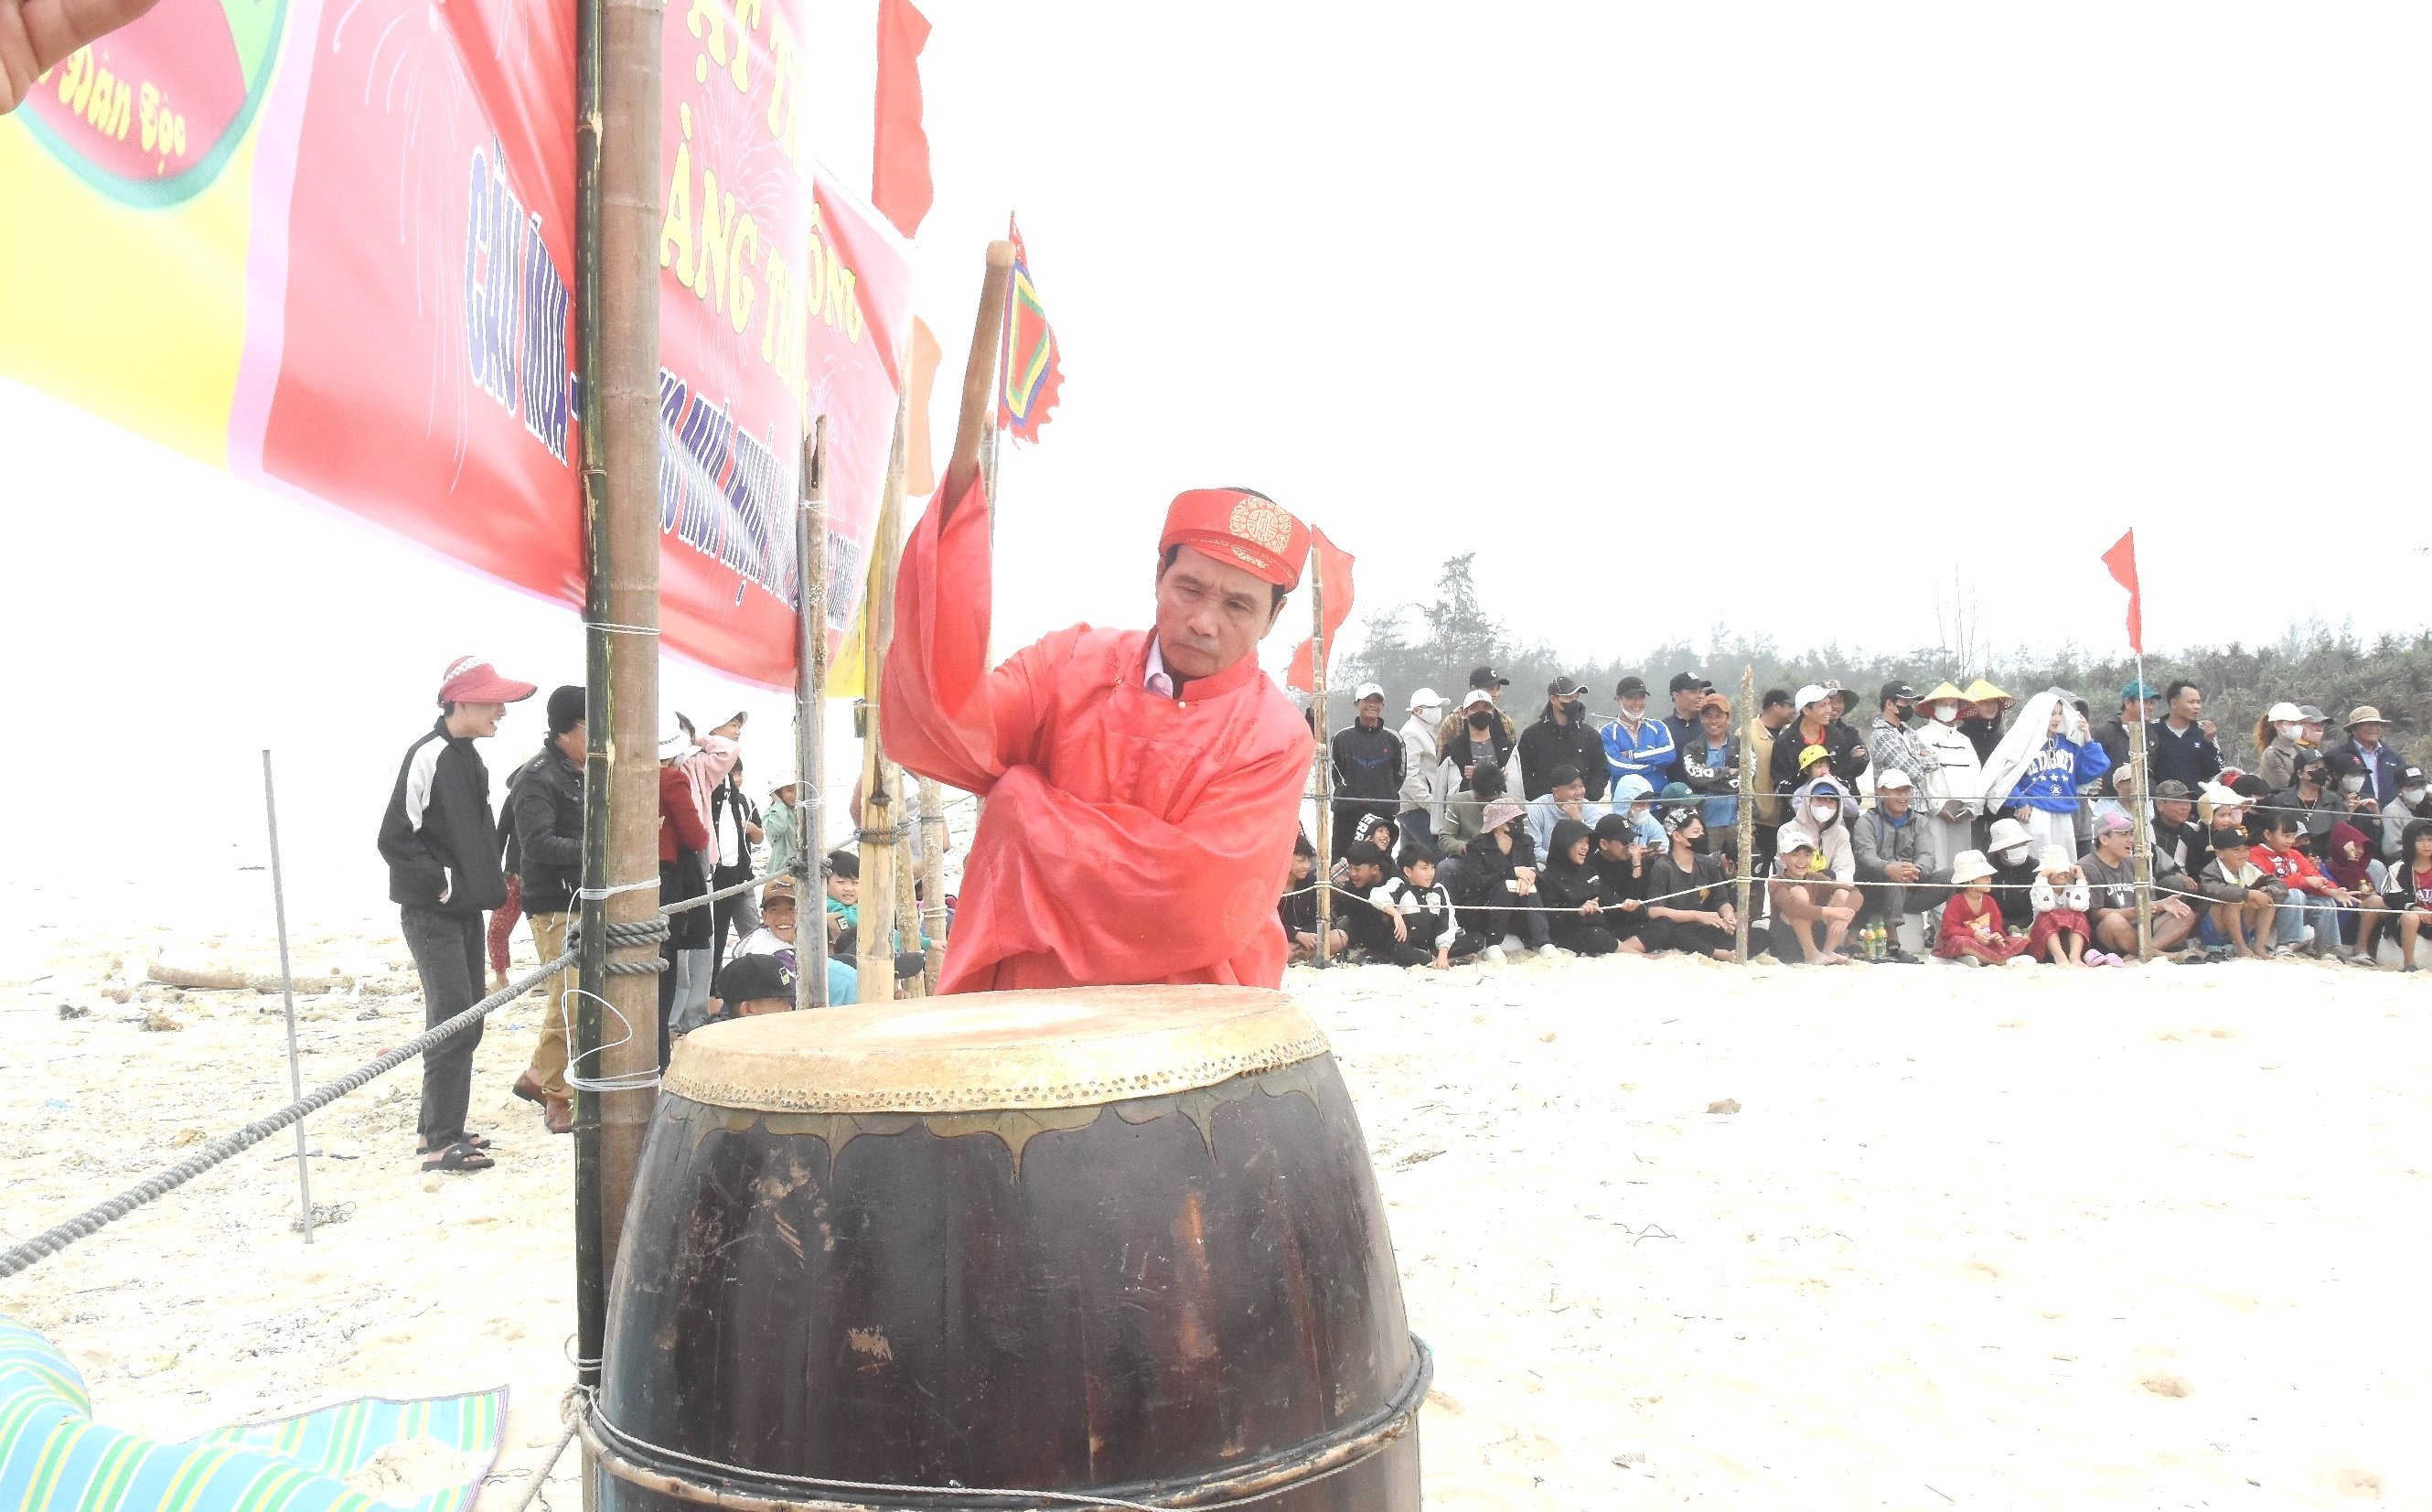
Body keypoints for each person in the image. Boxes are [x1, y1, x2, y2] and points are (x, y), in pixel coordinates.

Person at [882, 484, 1314, 992]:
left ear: (1273, 617)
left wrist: (1023, 809)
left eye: (1238, 606)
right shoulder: (1068, 663)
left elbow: (1195, 898)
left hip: (1193, 1007)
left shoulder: (1278, 737)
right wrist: (949, 554)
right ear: (1158, 575)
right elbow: (952, 726)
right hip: (1035, 997)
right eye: (1190, 589)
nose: (1203, 622)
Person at [378, 657, 536, 1174]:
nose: (502, 712)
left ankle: (437, 1128)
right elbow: (394, 836)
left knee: (467, 1020)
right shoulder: (428, 755)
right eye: (493, 702)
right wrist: (442, 886)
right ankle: (442, 1142)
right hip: (433, 914)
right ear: (461, 701)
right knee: (452, 1022)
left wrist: (479, 884)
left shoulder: (470, 759)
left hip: (462, 909)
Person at [508, 684, 584, 1137]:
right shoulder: (537, 777)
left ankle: (538, 1074)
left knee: (581, 997)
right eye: (591, 726)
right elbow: (536, 845)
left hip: (590, 898)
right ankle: (556, 1093)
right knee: (568, 999)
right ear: (565, 731)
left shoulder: (590, 770)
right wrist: (602, 849)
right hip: (555, 904)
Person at [656, 716, 723, 1055]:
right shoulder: (670, 780)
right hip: (666, 880)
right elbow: (696, 836)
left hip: (630, 882)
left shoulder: (619, 777)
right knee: (664, 965)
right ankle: (659, 1052)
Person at [1983, 690, 2111, 858]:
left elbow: (2095, 768)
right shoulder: (2024, 742)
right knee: (2037, 861)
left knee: (2064, 863)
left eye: (2059, 713)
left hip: (2064, 811)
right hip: (2035, 813)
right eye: (2052, 714)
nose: (2057, 719)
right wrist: (2019, 801)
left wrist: (2088, 739)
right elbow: (2004, 776)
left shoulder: (2068, 743)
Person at [1849, 768, 1947, 959]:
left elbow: (1928, 856)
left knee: (1952, 875)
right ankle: (1892, 939)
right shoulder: (1867, 821)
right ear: (1881, 792)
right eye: (1897, 791)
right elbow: (1865, 856)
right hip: (1876, 887)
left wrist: (1915, 869)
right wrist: (1888, 868)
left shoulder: (1920, 821)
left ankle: (1948, 936)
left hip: (1912, 886)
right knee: (1888, 874)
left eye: (1906, 791)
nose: (1904, 797)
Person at [2079, 810, 2200, 958]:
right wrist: (2136, 911)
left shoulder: (2133, 862)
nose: (2131, 839)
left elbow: (2148, 903)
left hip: (2141, 925)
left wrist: (2163, 903)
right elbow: (2095, 914)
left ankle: (2143, 953)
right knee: (2113, 921)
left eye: (2131, 833)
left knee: (2185, 913)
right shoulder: (2088, 866)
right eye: (2123, 834)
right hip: (2109, 933)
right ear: (2104, 839)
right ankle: (2160, 955)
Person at [1449, 798, 1552, 960]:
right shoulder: (1477, 847)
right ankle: (1493, 942)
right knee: (1506, 886)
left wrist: (1526, 879)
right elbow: (1477, 883)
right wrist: (1511, 873)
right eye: (1514, 820)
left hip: (1520, 906)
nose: (1518, 823)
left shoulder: (1525, 841)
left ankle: (1543, 941)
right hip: (1487, 909)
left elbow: (1534, 871)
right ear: (1499, 825)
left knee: (1529, 887)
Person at [733, 875, 857, 1005]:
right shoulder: (773, 954)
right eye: (774, 910)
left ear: (805, 912)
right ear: (764, 916)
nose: (783, 917)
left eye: (792, 909)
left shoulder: (769, 936)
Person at [2252, 811, 2355, 959]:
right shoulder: (2256, 854)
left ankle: (2324, 950)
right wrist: (2304, 881)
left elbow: (2314, 875)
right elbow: (2268, 882)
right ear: (2268, 834)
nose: (2290, 841)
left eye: (2292, 836)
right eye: (2285, 836)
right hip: (2269, 908)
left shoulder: (2294, 855)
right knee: (2295, 894)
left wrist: (2332, 891)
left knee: (2325, 902)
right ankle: (2285, 943)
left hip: (2296, 908)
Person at [1367, 845, 1484, 968]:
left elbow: (1446, 924)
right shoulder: (1399, 885)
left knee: (1477, 939)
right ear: (1408, 871)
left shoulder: (1438, 889)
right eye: (1424, 868)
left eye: (1432, 868)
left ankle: (1439, 959)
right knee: (1397, 949)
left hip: (1434, 945)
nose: (1430, 873)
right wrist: (1395, 914)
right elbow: (1376, 896)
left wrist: (1443, 954)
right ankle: (1439, 960)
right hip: (1409, 945)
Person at [1645, 807, 1737, 960]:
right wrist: (1696, 915)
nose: (1702, 836)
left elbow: (1721, 899)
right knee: (1672, 934)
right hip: (1678, 929)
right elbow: (1654, 911)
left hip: (1705, 928)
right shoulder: (1663, 867)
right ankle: (1716, 954)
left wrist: (1728, 916)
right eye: (1695, 832)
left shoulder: (1707, 863)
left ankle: (1721, 951)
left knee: (1758, 935)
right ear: (1677, 836)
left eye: (1702, 831)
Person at [1914, 681, 1985, 871]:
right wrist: (1938, 806)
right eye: (1943, 705)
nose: (1948, 709)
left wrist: (1973, 807)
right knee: (1937, 863)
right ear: (1933, 708)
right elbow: (1919, 778)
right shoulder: (1920, 736)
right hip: (1934, 814)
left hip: (1963, 814)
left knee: (1962, 864)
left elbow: (1977, 776)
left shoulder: (1965, 741)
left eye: (1952, 705)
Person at [1329, 681, 1404, 857]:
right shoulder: (1341, 738)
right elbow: (1335, 773)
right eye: (1366, 700)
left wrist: (1384, 795)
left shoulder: (1394, 739)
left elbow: (1399, 775)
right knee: (1342, 862)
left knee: (1379, 864)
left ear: (1382, 706)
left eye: (1377, 701)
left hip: (1382, 813)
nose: (1372, 704)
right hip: (1348, 813)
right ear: (1356, 704)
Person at [709, 748, 766, 975]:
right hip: (720, 882)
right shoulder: (713, 801)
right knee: (718, 934)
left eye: (739, 773)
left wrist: (749, 828)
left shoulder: (745, 801)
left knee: (753, 931)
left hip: (745, 881)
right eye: (732, 774)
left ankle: (760, 971)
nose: (737, 779)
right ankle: (716, 982)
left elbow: (760, 837)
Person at [1766, 833, 1857, 964]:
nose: (1802, 860)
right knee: (1798, 892)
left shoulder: (1817, 878)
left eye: (1807, 855)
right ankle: (1811, 954)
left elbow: (1854, 891)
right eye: (1795, 855)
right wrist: (1833, 912)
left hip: (1814, 935)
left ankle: (1827, 952)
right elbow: (1792, 909)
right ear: (1783, 858)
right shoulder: (1776, 882)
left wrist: (1847, 914)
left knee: (1842, 894)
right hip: (1785, 942)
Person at [1537, 818, 1623, 956]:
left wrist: (1629, 906)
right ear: (1564, 843)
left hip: (1603, 929)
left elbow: (1611, 903)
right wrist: (1578, 912)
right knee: (1597, 936)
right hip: (1572, 935)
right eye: (1580, 842)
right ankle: (1643, 956)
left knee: (1661, 925)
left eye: (1587, 842)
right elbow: (1551, 922)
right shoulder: (1547, 878)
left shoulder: (1590, 871)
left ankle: (1631, 950)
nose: (1586, 847)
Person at [1518, 677, 1610, 802]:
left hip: (1581, 807)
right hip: (1544, 808)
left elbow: (1601, 771)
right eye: (1568, 697)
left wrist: (1588, 798)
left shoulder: (1590, 735)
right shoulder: (1532, 735)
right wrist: (1538, 799)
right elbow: (1523, 772)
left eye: (1576, 697)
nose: (1573, 702)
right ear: (1553, 699)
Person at [2194, 830, 2282, 960]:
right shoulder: (2210, 871)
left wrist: (2268, 892)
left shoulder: (2250, 868)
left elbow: (2278, 883)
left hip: (2242, 923)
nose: (2243, 854)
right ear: (2220, 853)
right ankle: (2240, 946)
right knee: (2234, 901)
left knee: (2266, 899)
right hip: (2215, 927)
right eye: (2236, 850)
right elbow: (2214, 890)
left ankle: (2258, 946)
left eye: (2246, 849)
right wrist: (2247, 894)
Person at [1770, 684, 1866, 796]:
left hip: (1834, 804)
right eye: (1822, 706)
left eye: (1828, 704)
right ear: (1806, 710)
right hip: (1796, 809)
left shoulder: (1837, 738)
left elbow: (1844, 774)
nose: (1829, 710)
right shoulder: (1785, 743)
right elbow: (1780, 782)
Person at [1677, 692, 1741, 854]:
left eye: (1719, 716)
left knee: (1742, 871)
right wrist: (1728, 771)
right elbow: (1695, 778)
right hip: (1705, 823)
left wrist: (1709, 776)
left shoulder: (1743, 746)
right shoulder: (1692, 748)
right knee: (1707, 870)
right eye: (1708, 716)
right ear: (1701, 719)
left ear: (1729, 718)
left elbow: (1747, 777)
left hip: (1740, 820)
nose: (1714, 721)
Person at [1936, 851, 2025, 966]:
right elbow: (1949, 929)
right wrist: (1973, 935)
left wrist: (1996, 936)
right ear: (1969, 880)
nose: (1989, 879)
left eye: (1989, 875)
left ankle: (1980, 958)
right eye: (1984, 876)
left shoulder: (1990, 901)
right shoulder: (1956, 901)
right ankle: (2001, 961)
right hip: (1967, 942)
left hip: (1986, 944)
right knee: (1960, 942)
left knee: (2019, 940)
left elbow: (1996, 926)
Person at [1742, 688, 1795, 872]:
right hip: (1760, 820)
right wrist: (1750, 817)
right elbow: (1742, 778)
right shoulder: (1746, 732)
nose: (1794, 711)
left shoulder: (1793, 734)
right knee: (1761, 871)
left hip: (1788, 816)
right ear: (1775, 706)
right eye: (1790, 706)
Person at [1598, 675, 1677, 793]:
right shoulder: (1607, 732)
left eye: (1642, 697)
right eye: (1631, 698)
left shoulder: (1658, 726)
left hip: (1659, 802)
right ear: (1618, 699)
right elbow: (1616, 767)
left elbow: (1669, 755)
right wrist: (1654, 766)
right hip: (1626, 804)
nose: (1638, 703)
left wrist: (1631, 755)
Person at [1588, 813, 1655, 953]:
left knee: (1664, 925)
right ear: (1604, 844)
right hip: (1609, 925)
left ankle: (1624, 949)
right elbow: (1615, 907)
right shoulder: (1591, 868)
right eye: (1624, 842)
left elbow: (1640, 903)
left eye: (1632, 840)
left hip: (1633, 923)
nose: (1630, 847)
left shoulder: (1636, 862)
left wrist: (1637, 865)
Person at [1279, 832, 1347, 963]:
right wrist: (1295, 935)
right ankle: (1294, 957)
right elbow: (1266, 922)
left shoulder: (1312, 882)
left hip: (1307, 938)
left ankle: (1297, 956)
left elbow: (1325, 917)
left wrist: (1305, 935)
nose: (1307, 866)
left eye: (1309, 861)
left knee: (1340, 937)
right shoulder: (1272, 883)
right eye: (1301, 861)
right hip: (1280, 938)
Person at [1396, 689, 1451, 848]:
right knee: (1438, 853)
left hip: (1416, 807)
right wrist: (1432, 806)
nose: (1438, 711)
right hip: (1416, 808)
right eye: (1433, 708)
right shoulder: (1411, 733)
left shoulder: (1426, 731)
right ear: (1417, 710)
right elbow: (1408, 777)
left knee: (1412, 858)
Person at [2026, 846, 2095, 966]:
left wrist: (2081, 879)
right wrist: (2041, 879)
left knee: (2079, 915)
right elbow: (2045, 906)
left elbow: (2079, 906)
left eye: (2065, 871)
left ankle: (2075, 957)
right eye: (2057, 871)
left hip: (2068, 937)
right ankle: (2060, 957)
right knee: (2046, 916)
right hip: (2045, 938)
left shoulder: (2071, 888)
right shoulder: (2038, 889)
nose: (2063, 874)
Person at [2148, 681, 2223, 792]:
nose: (2197, 707)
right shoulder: (2152, 730)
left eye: (2198, 702)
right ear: (2174, 703)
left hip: (2198, 803)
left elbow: (2216, 770)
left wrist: (2208, 742)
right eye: (2191, 702)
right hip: (2164, 804)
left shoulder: (2204, 731)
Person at [2378, 820, 2432, 970]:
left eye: (2430, 839)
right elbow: (2390, 894)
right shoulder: (2399, 868)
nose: (2426, 845)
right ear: (2409, 842)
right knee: (2410, 917)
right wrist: (2415, 909)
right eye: (2420, 840)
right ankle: (2409, 964)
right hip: (2409, 917)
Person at [2329, 706, 2407, 810]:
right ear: (2353, 729)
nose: (2374, 728)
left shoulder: (2392, 756)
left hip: (2389, 816)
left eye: (2377, 724)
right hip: (2353, 814)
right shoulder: (2336, 755)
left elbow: (2405, 784)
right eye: (2368, 724)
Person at [1434, 667, 1519, 760]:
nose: (1495, 694)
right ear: (1474, 689)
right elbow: (1441, 761)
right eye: (1490, 689)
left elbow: (1513, 757)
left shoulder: (1504, 720)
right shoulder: (1453, 722)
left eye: (1498, 689)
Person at [2089, 681, 2159, 795]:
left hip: (2145, 800)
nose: (2150, 707)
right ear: (2127, 703)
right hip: (2111, 801)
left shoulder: (2151, 733)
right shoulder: (2103, 732)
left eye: (2151, 703)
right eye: (2145, 702)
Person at [1865, 681, 1931, 798]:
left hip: (1919, 806)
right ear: (1889, 704)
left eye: (1911, 702)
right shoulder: (1882, 736)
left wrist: (1913, 760)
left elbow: (1935, 761)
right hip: (1894, 809)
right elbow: (1914, 772)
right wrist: (1920, 757)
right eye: (1905, 702)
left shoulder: (1910, 732)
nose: (1910, 707)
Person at [1444, 690, 1516, 793]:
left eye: (1486, 708)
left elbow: (1514, 786)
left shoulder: (1507, 747)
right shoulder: (1453, 749)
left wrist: (1479, 774)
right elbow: (1448, 788)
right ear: (1465, 713)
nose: (1481, 712)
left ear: (1492, 712)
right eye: (1475, 708)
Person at [1527, 764, 1600, 861]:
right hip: (1547, 864)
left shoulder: (1590, 809)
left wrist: (1578, 821)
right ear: (1556, 792)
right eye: (1573, 788)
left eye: (1581, 786)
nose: (1579, 792)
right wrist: (1563, 862)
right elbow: (1533, 850)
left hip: (1581, 864)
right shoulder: (1536, 808)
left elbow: (1593, 849)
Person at [1982, 815, 2041, 934]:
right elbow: (1983, 907)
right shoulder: (1987, 871)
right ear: (1999, 849)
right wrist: (2007, 926)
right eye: (2013, 845)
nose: (2019, 848)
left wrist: (2026, 926)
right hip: (1995, 927)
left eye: (2022, 844)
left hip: (2031, 926)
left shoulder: (2036, 868)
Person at [2150, 779, 2212, 882]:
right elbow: (2144, 874)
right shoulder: (2147, 833)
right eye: (2177, 801)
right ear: (2160, 804)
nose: (2185, 807)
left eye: (2187, 801)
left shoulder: (2195, 829)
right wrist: (2174, 875)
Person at [2255, 702, 2313, 791]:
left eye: (2299, 722)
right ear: (2278, 725)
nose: (2298, 726)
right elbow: (2287, 788)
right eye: (2293, 722)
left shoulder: (2301, 750)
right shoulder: (2272, 755)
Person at [2379, 763, 2432, 862]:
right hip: (2407, 862)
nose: (2418, 789)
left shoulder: (2427, 805)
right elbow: (2392, 849)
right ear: (2399, 788)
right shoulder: (2392, 811)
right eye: (2411, 785)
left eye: (2421, 785)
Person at [1662, 671, 1714, 760]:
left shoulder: (1711, 725)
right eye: (1693, 692)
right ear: (1676, 695)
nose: (1700, 696)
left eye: (1701, 691)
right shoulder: (1663, 729)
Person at [1958, 680, 2011, 765]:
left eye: (1994, 701)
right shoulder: (1960, 737)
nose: (1991, 706)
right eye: (1985, 702)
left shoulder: (2001, 739)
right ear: (1972, 706)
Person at [763, 778, 801, 879]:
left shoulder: (801, 811)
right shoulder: (771, 813)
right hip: (781, 867)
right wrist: (779, 803)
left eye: (798, 789)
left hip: (801, 866)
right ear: (779, 792)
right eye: (789, 791)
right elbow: (778, 828)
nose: (795, 795)